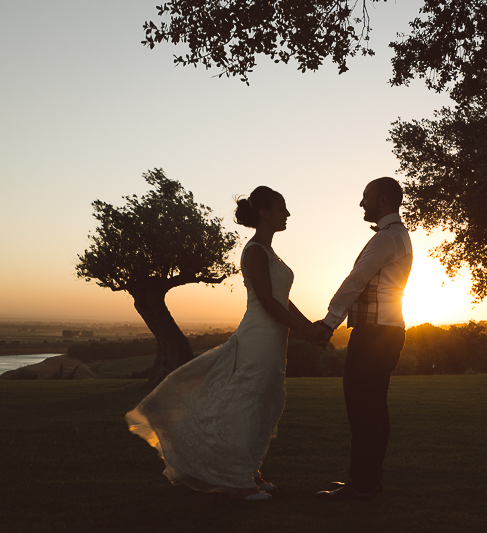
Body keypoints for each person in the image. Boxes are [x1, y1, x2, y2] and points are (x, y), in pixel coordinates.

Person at [126, 186, 319, 501]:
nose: (287, 214)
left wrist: (309, 326)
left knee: (267, 405)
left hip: (273, 341)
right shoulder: (255, 250)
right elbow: (268, 301)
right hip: (258, 338)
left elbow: (283, 299)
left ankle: (251, 472)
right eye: (281, 207)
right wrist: (305, 331)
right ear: (264, 213)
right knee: (248, 405)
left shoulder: (269, 252)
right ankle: (239, 482)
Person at [313, 177, 413, 501]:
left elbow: (355, 280)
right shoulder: (396, 235)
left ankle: (363, 485)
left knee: (362, 409)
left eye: (365, 197)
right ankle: (367, 482)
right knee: (373, 408)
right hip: (387, 332)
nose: (361, 203)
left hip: (375, 335)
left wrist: (329, 322)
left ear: (383, 200)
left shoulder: (387, 238)